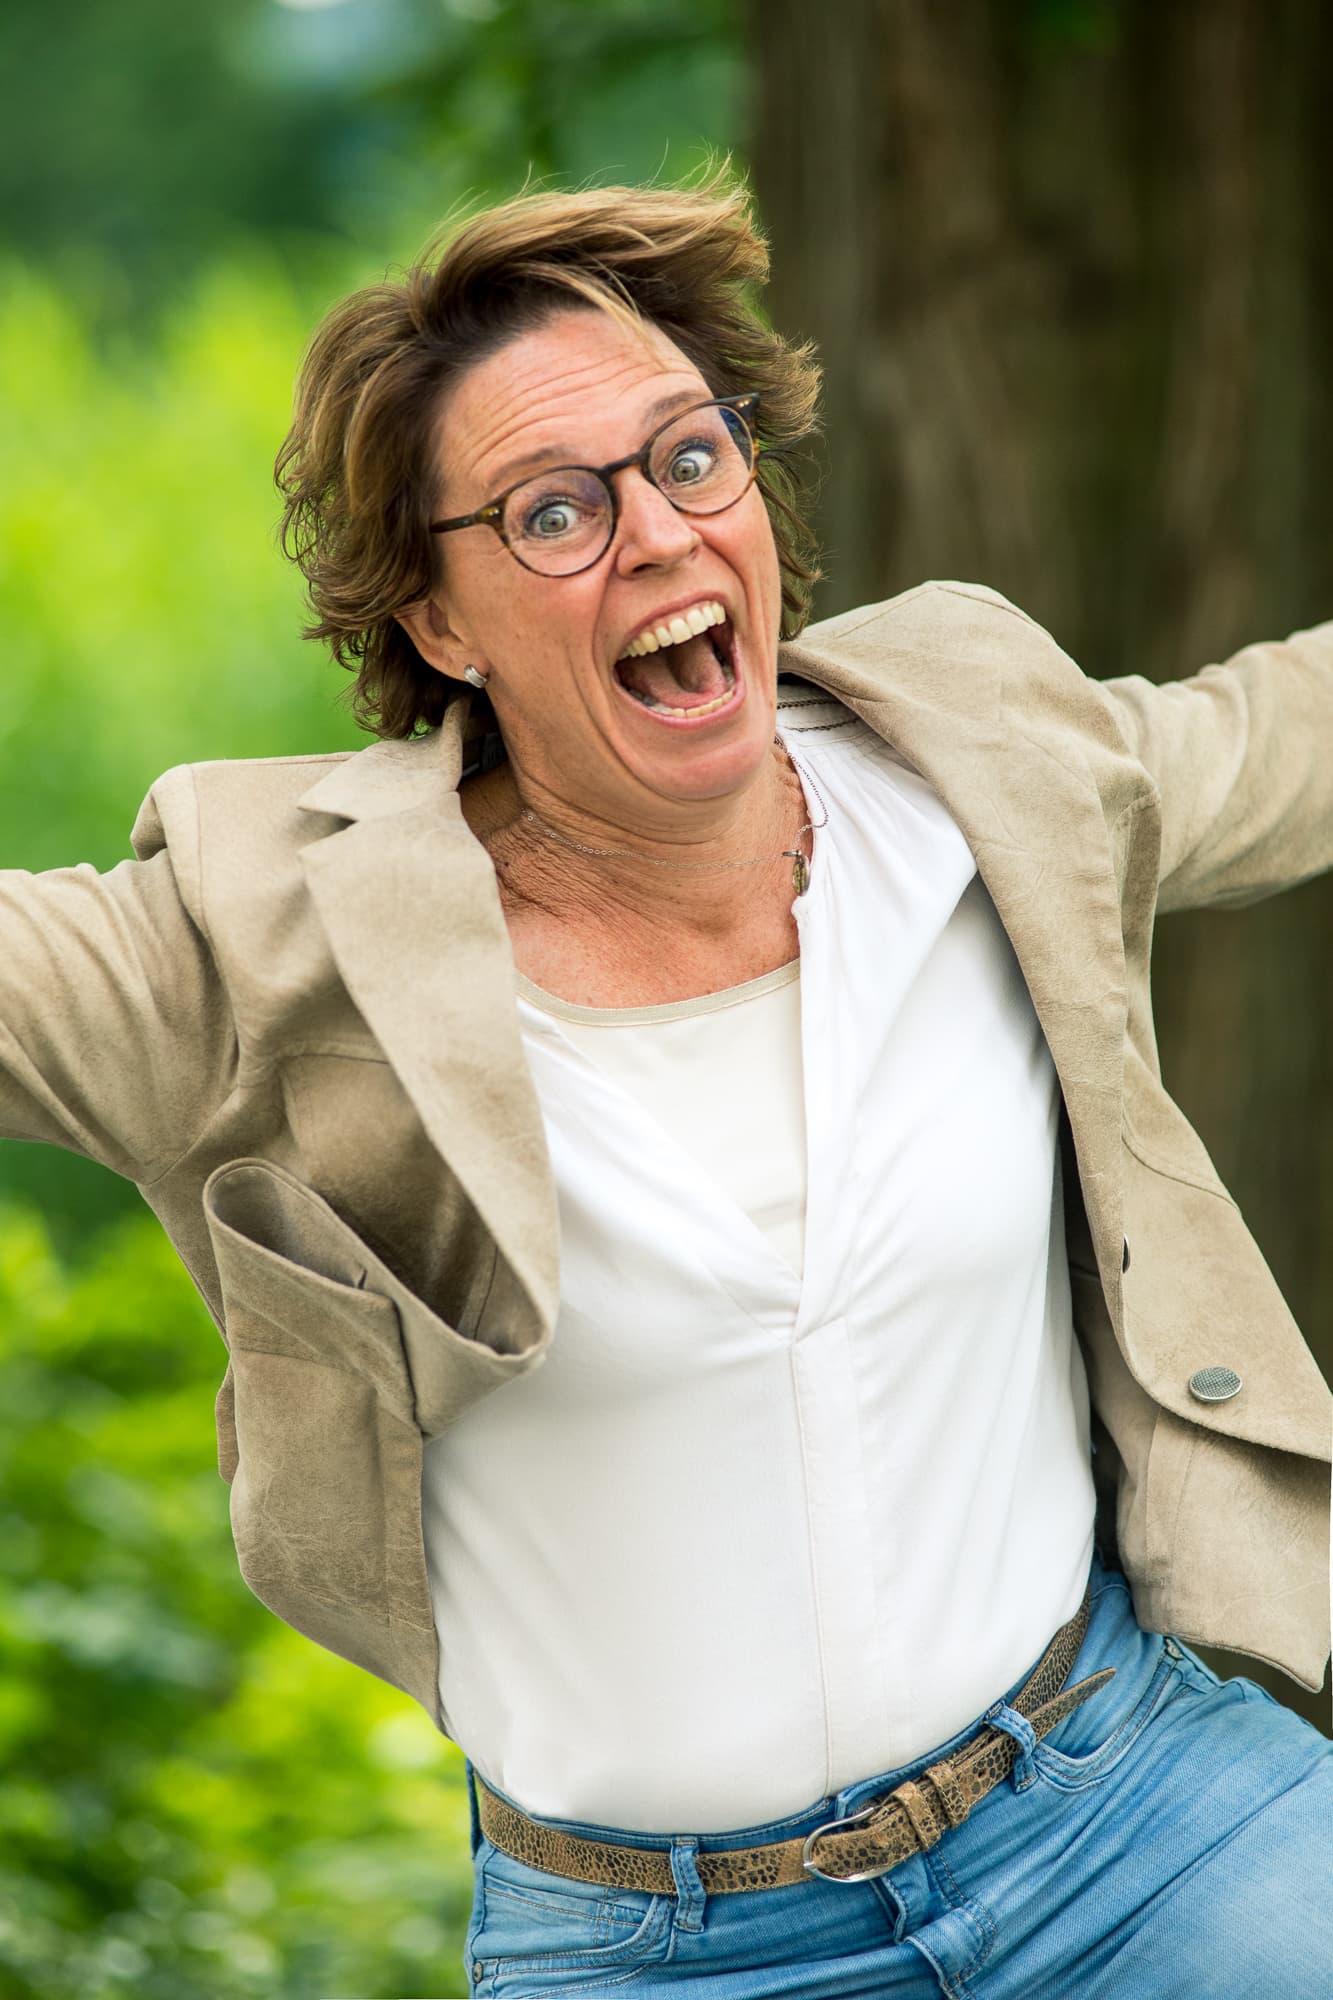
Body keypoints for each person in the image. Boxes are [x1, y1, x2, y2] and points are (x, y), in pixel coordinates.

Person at [3, 176, 1331, 1997]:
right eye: (554, 510)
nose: (653, 534)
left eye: (687, 460)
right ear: (441, 621)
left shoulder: (966, 778)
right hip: (660, 1949)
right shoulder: (263, 938)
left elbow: (1279, 732)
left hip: (1130, 1826)